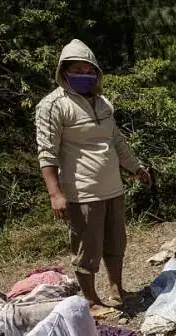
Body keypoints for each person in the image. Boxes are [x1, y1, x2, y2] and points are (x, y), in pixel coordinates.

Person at [35, 39, 151, 313]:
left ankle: (117, 289)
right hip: (82, 191)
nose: (84, 76)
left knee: (115, 243)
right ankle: (90, 299)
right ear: (64, 72)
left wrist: (135, 167)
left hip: (113, 188)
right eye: (77, 70)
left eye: (89, 71)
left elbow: (117, 141)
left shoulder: (103, 103)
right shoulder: (53, 106)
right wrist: (55, 194)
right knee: (87, 248)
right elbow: (47, 153)